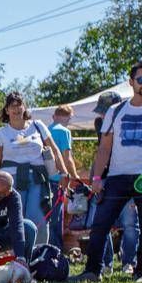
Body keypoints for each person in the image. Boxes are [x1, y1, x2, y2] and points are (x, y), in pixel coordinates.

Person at [74, 60, 142, 283]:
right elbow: (104, 147)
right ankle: (92, 271)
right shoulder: (116, 111)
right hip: (116, 177)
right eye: (141, 80)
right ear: (131, 82)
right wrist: (96, 178)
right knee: (100, 224)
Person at [0, 92, 69, 244]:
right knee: (14, 218)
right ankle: (15, 255)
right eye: (12, 105)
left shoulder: (37, 126)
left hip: (37, 178)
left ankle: (39, 256)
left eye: (19, 105)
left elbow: (54, 149)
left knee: (37, 216)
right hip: (11, 181)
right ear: (6, 110)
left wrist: (64, 173)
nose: (17, 108)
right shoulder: (1, 133)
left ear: (24, 107)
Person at [47, 105, 81, 250]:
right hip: (57, 179)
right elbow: (67, 157)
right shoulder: (64, 131)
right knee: (56, 217)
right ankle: (55, 250)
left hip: (42, 179)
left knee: (45, 216)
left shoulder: (46, 130)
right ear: (68, 117)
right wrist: (75, 176)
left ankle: (45, 247)